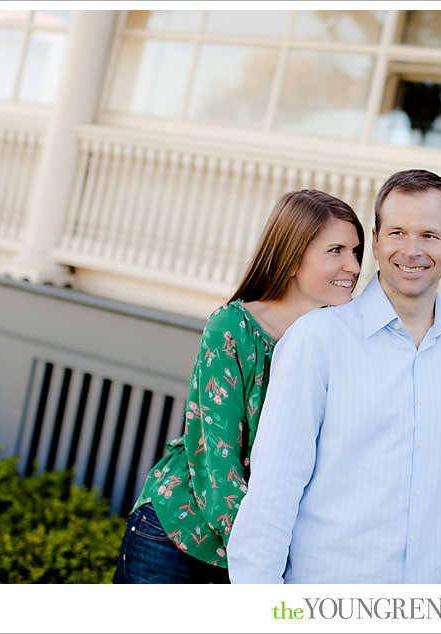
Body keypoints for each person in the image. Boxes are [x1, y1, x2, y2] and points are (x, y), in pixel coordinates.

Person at [227, 169, 441, 583]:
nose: (411, 250)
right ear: (376, 242)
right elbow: (274, 488)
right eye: (397, 232)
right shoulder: (317, 340)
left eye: (429, 236)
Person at [113, 189, 364, 583]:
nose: (352, 266)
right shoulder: (231, 329)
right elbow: (217, 461)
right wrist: (265, 559)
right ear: (293, 257)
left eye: (356, 251)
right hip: (180, 538)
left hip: (260, 552)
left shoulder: (340, 344)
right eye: (336, 250)